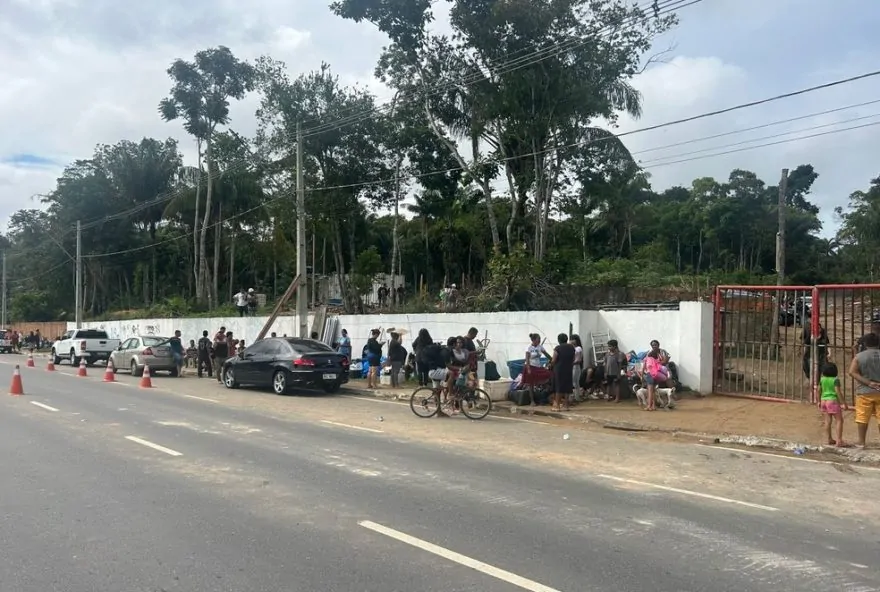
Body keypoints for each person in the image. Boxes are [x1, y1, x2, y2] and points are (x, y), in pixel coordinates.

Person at [848, 332, 880, 448]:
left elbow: (852, 372)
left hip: (864, 391)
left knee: (862, 417)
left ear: (865, 344)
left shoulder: (859, 356)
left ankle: (861, 441)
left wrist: (869, 383)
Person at [818, 362, 849, 447]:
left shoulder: (822, 379)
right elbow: (837, 391)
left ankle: (829, 439)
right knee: (839, 420)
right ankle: (839, 440)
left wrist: (818, 401)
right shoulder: (835, 380)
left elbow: (818, 390)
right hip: (832, 401)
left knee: (827, 421)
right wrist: (843, 403)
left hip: (824, 400)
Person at [549, 333, 575, 412]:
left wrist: (550, 365)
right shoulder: (572, 347)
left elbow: (554, 360)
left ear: (559, 340)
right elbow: (573, 359)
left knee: (558, 387)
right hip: (569, 368)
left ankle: (557, 405)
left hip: (559, 369)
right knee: (567, 387)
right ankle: (566, 405)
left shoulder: (558, 348)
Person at [570, 334, 584, 398]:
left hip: (576, 366)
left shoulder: (578, 348)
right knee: (573, 382)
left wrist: (572, 363)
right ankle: (575, 395)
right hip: (571, 366)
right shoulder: (571, 348)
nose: (572, 341)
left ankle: (577, 396)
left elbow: (579, 359)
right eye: (571, 339)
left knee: (575, 382)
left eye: (573, 339)